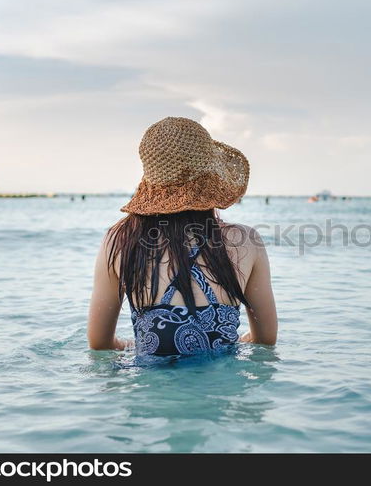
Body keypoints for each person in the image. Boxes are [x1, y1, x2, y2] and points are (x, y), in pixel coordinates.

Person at [88, 117, 277, 356]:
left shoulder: (120, 240)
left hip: (150, 390)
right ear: (213, 176)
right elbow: (266, 340)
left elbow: (99, 343)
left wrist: (131, 346)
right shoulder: (247, 240)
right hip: (222, 389)